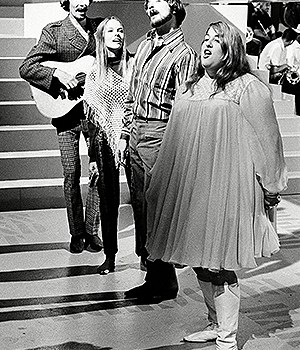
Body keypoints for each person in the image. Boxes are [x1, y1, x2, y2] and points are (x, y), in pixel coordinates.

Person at [145, 21, 287, 349]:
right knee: (199, 257)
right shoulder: (190, 87)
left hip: (229, 191)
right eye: (205, 39)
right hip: (194, 188)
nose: (206, 45)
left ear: (231, 50)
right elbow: (175, 136)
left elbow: (267, 139)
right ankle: (214, 323)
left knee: (220, 264)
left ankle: (227, 337)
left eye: (216, 40)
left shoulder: (247, 88)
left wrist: (271, 184)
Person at [118, 0, 197, 300]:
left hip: (160, 131)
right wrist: (126, 134)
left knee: (158, 209)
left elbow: (183, 107)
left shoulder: (183, 54)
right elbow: (131, 94)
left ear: (175, 6)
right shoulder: (145, 46)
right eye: (148, 2)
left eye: (158, 1)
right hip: (137, 130)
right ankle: (156, 276)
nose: (150, 5)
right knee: (141, 207)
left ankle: (164, 281)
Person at [19, 0, 103, 253]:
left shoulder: (99, 28)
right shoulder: (54, 31)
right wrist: (57, 74)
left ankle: (92, 230)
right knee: (71, 174)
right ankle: (76, 232)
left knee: (98, 172)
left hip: (95, 114)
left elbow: (117, 56)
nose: (82, 3)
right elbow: (26, 67)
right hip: (65, 114)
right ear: (67, 2)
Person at [83, 16, 134, 274]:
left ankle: (145, 255)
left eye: (121, 29)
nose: (117, 34)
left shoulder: (133, 65)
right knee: (108, 200)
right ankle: (110, 256)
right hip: (103, 138)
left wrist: (124, 134)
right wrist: (92, 155)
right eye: (111, 30)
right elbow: (91, 116)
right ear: (101, 37)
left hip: (132, 135)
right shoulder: (95, 71)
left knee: (142, 199)